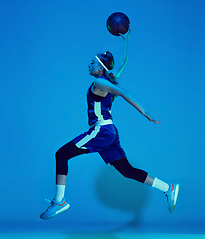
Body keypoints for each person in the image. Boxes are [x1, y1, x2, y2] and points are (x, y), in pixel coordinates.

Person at [40, 29, 179, 219]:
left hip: (101, 131)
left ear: (100, 68)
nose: (89, 64)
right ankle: (168, 188)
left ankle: (60, 201)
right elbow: (123, 63)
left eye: (93, 62)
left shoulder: (99, 82)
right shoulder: (107, 79)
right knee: (127, 171)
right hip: (110, 132)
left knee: (61, 154)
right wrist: (126, 41)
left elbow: (124, 92)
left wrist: (145, 113)